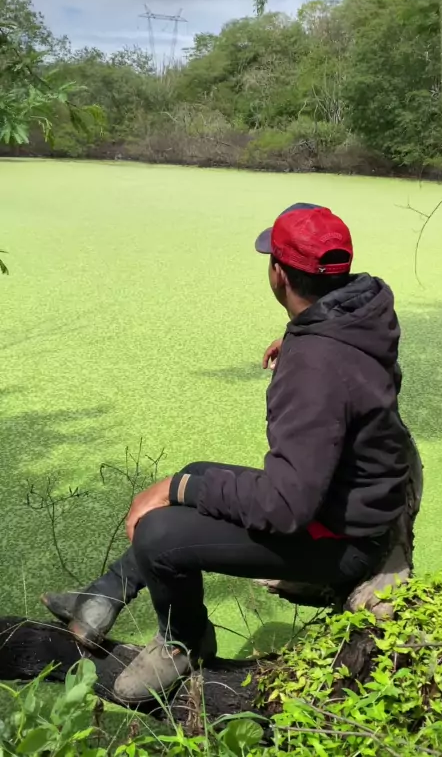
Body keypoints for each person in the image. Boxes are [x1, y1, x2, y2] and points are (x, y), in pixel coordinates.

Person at [42, 202, 410, 704]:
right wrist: (301, 339)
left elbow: (285, 506)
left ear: (278, 274)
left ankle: (184, 641)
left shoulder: (317, 367)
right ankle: (102, 599)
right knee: (197, 472)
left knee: (159, 534)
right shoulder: (361, 316)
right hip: (349, 505)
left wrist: (175, 489)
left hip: (342, 540)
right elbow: (344, 371)